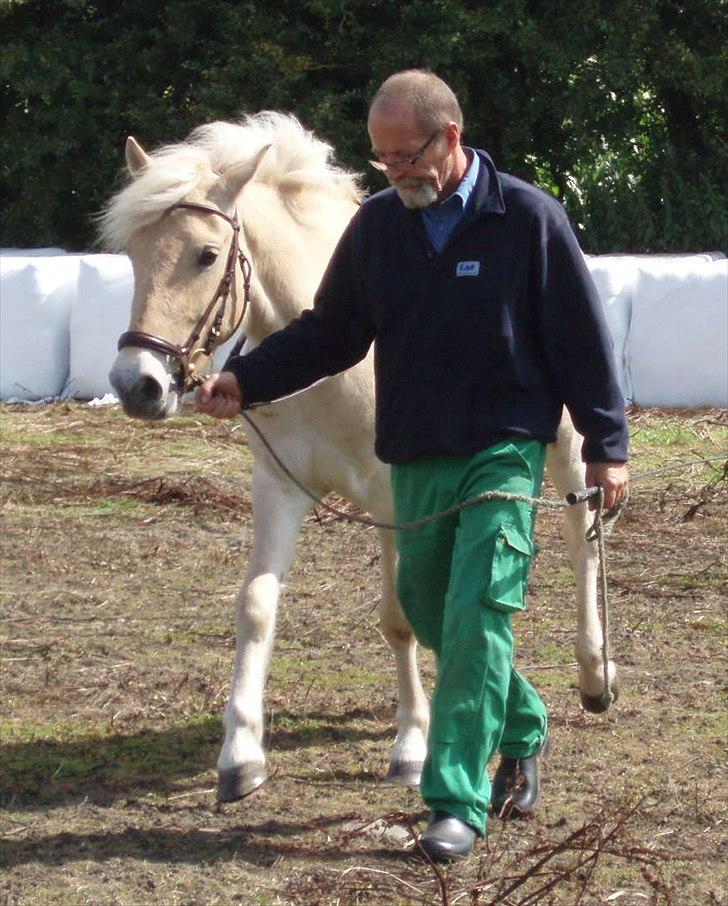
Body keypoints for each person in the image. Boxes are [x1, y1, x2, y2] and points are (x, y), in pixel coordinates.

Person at [197, 70, 629, 862]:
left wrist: (607, 447)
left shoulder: (528, 218)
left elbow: (580, 338)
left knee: (477, 616)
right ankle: (525, 724)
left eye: (406, 156)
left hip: (502, 450)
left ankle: (455, 801)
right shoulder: (377, 230)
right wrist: (244, 378)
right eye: (382, 160)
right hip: (416, 456)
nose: (395, 172)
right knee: (431, 613)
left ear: (450, 137)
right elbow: (330, 334)